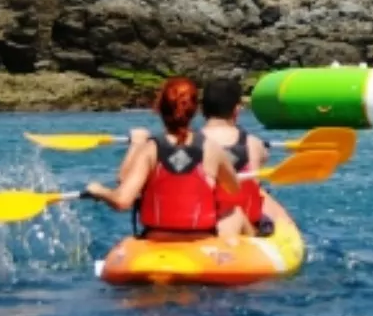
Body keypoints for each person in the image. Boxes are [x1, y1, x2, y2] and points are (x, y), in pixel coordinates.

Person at [84, 77, 248, 241]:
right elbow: (234, 190)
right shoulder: (211, 148)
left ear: (159, 108)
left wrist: (99, 190)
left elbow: (122, 200)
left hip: (156, 240)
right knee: (234, 212)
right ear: (195, 110)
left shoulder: (150, 149)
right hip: (201, 240)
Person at [199, 77, 279, 236]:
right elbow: (262, 163)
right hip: (246, 225)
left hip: (199, 221)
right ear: (236, 110)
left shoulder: (188, 142)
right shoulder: (253, 144)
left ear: (202, 110)